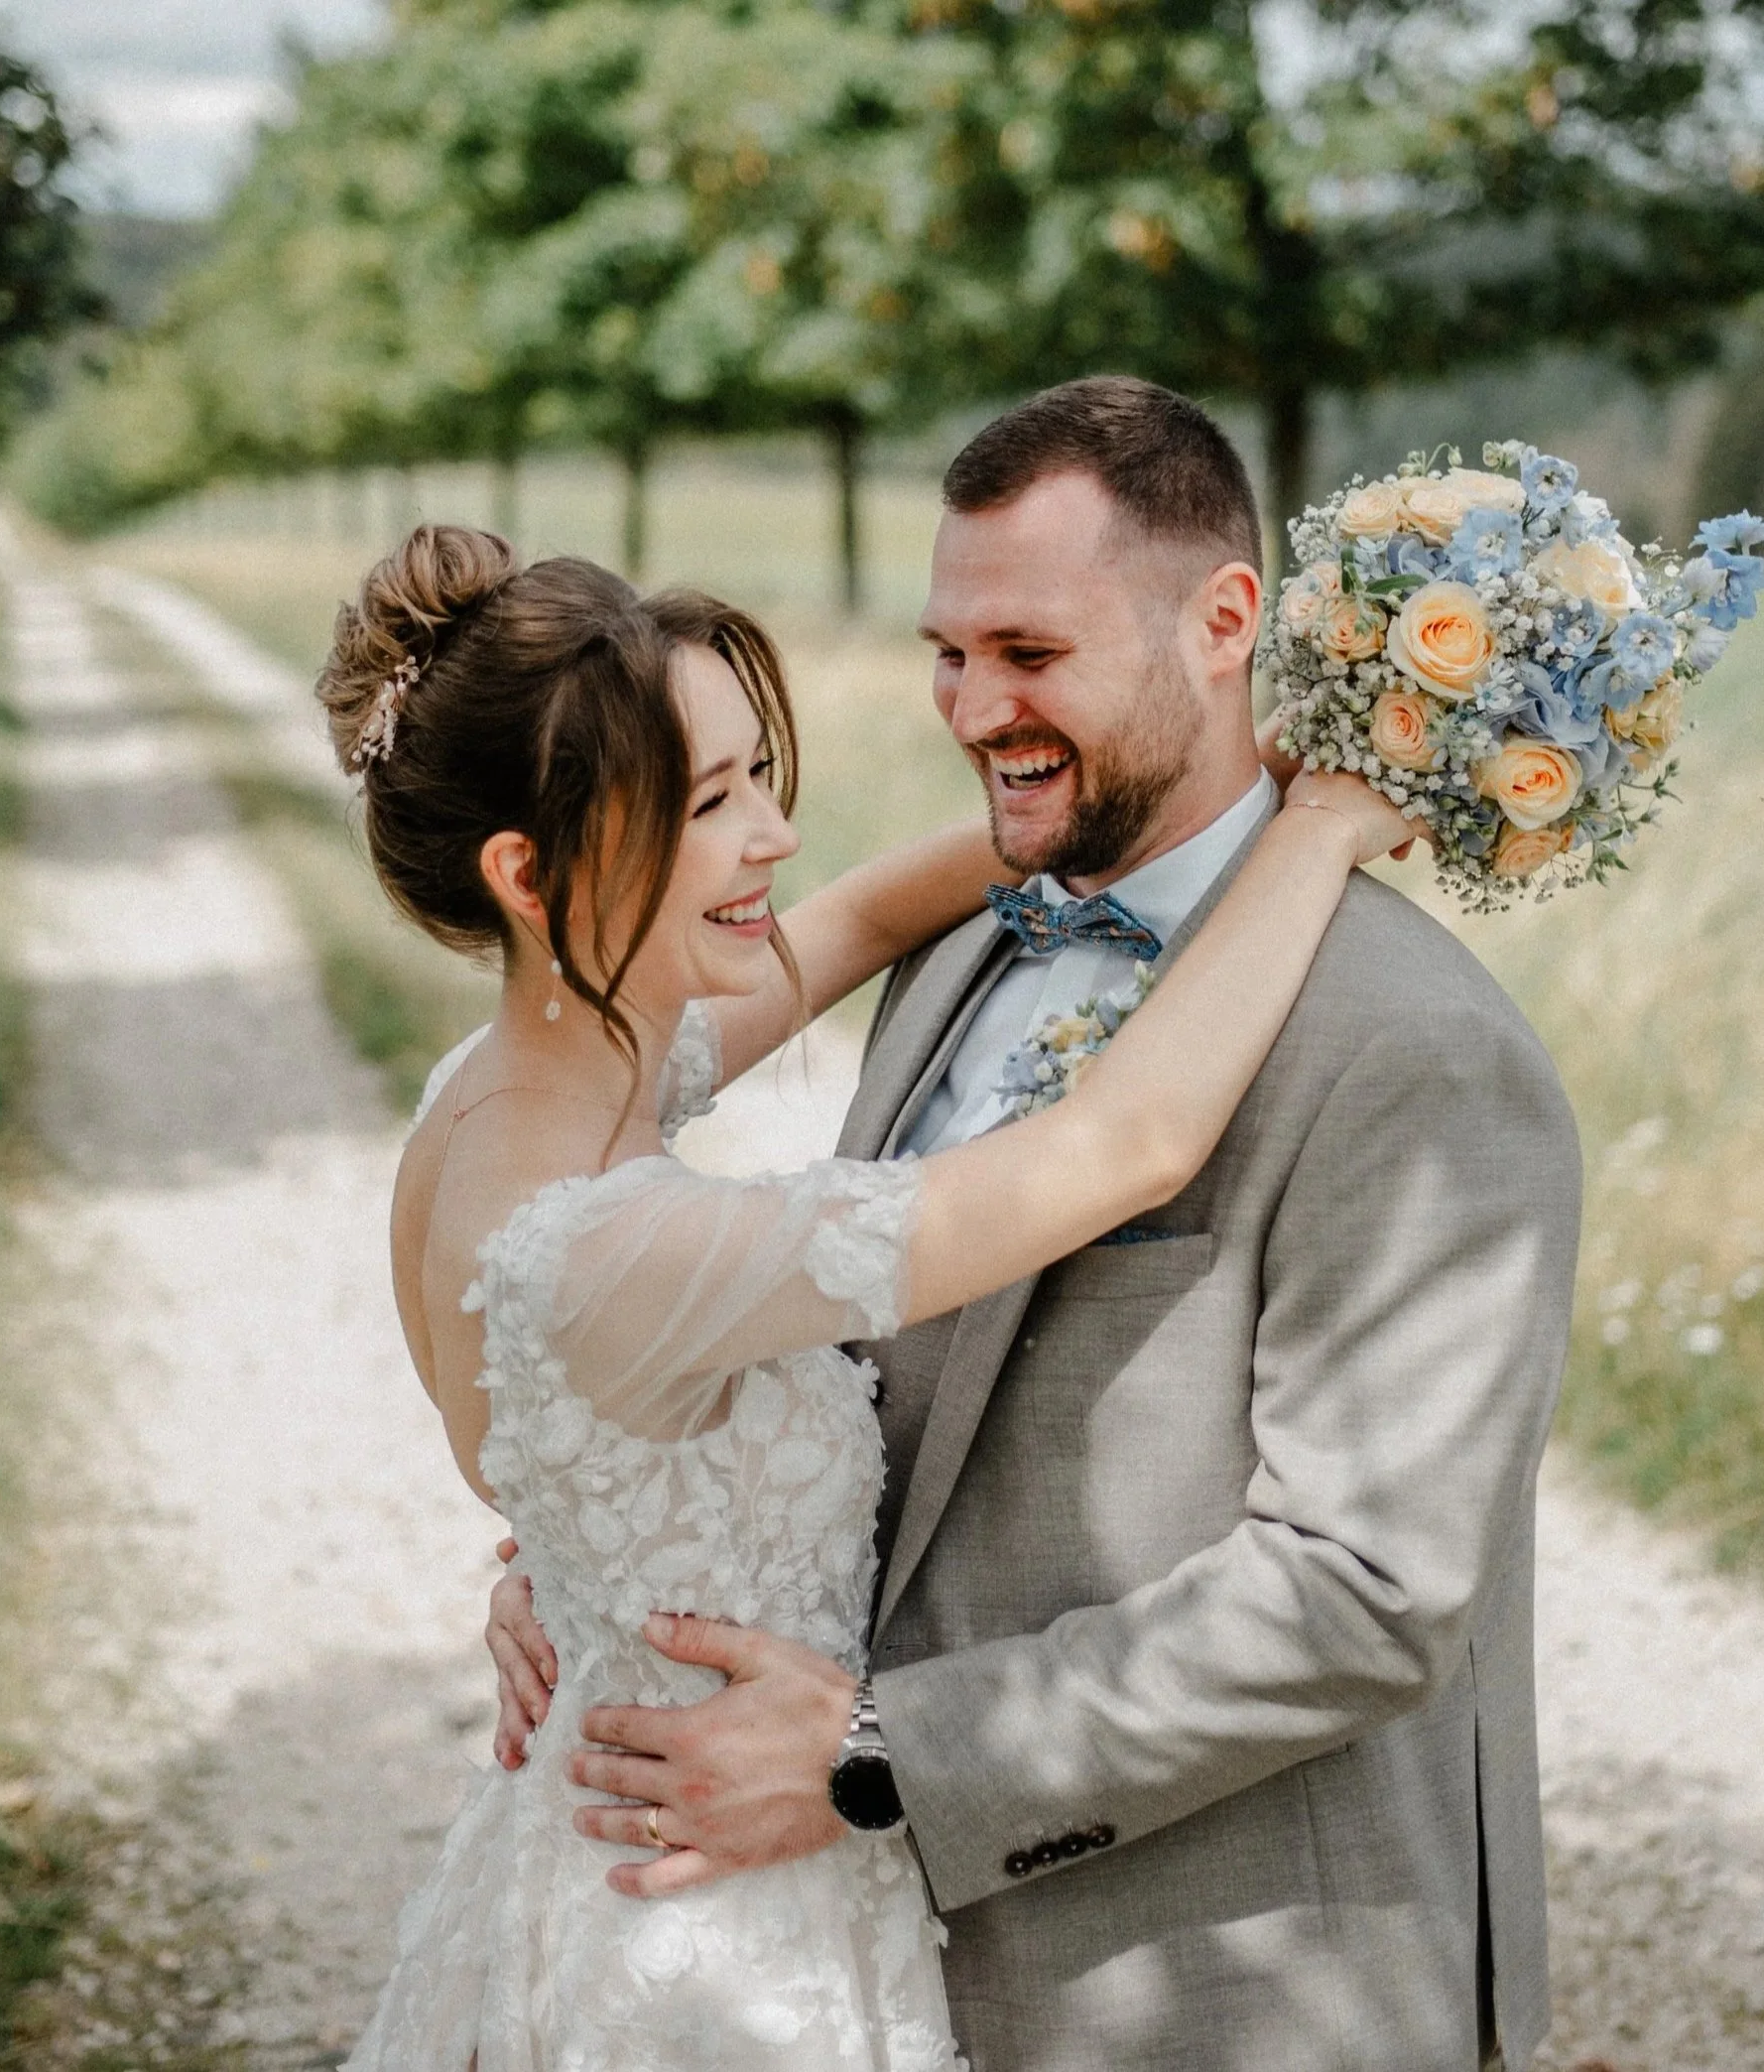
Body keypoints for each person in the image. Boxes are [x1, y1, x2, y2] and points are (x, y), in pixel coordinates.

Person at [487, 378, 1585, 2072]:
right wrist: (596, 1550)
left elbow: (1368, 1592)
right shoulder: (960, 950)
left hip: (1220, 1990)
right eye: (948, 651)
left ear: (1225, 623)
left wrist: (878, 1756)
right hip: (881, 1978)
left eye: (1029, 653)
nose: (971, 705)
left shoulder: (1412, 1047)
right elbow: (850, 1382)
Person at [320, 515, 1415, 2069]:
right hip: (718, 1926)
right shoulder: (621, 1251)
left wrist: (1145, 786)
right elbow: (1128, 1142)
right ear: (529, 871)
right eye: (708, 804)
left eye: (757, 773)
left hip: (586, 1838)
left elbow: (854, 922)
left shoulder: (493, 1104)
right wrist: (1309, 829)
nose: (771, 835)